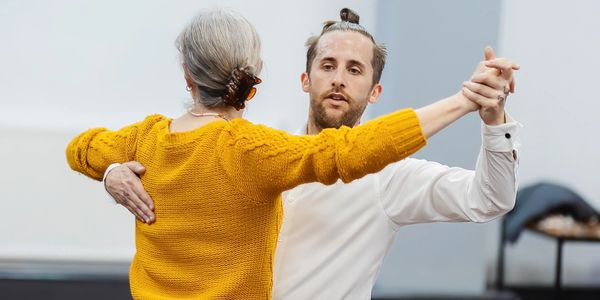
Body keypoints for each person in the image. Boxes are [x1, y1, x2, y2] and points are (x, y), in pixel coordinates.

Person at [66, 8, 515, 299]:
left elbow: (489, 199)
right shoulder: (263, 147)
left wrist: (489, 117)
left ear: (375, 91)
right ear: (305, 80)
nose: (338, 79)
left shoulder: (394, 178)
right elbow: (92, 148)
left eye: (354, 70)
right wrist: (111, 175)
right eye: (327, 66)